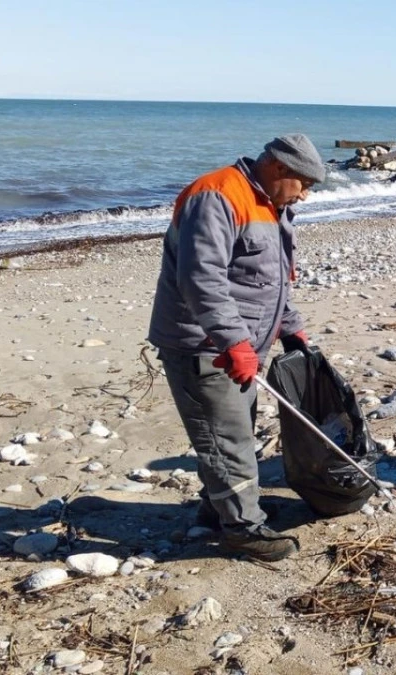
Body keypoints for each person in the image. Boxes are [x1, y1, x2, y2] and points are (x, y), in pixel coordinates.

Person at [148, 134, 324, 561]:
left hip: (243, 343)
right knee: (228, 438)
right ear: (280, 168)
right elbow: (200, 278)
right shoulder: (216, 196)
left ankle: (221, 509)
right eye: (304, 184)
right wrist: (233, 341)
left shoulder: (270, 203)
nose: (304, 195)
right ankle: (243, 530)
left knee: (232, 431)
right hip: (202, 343)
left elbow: (266, 279)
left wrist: (290, 327)